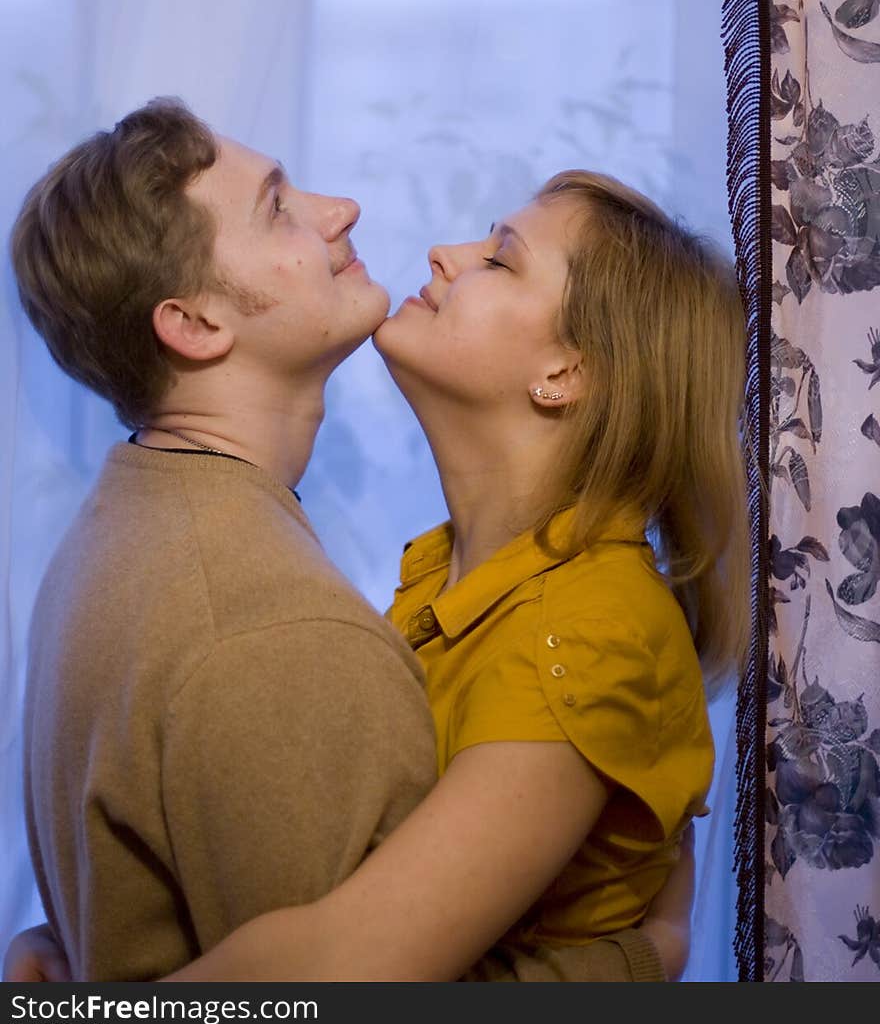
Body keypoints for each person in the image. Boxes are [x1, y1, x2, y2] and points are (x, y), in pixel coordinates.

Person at [5, 99, 687, 983]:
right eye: (279, 207)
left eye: (500, 257)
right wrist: (641, 960)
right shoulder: (278, 627)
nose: (343, 211)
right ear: (198, 324)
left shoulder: (122, 521)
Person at [156, 166, 750, 982]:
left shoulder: (585, 632)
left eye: (500, 261)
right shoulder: (449, 577)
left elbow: (350, 970)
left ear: (567, 373)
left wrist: (92, 1017)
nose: (442, 253)